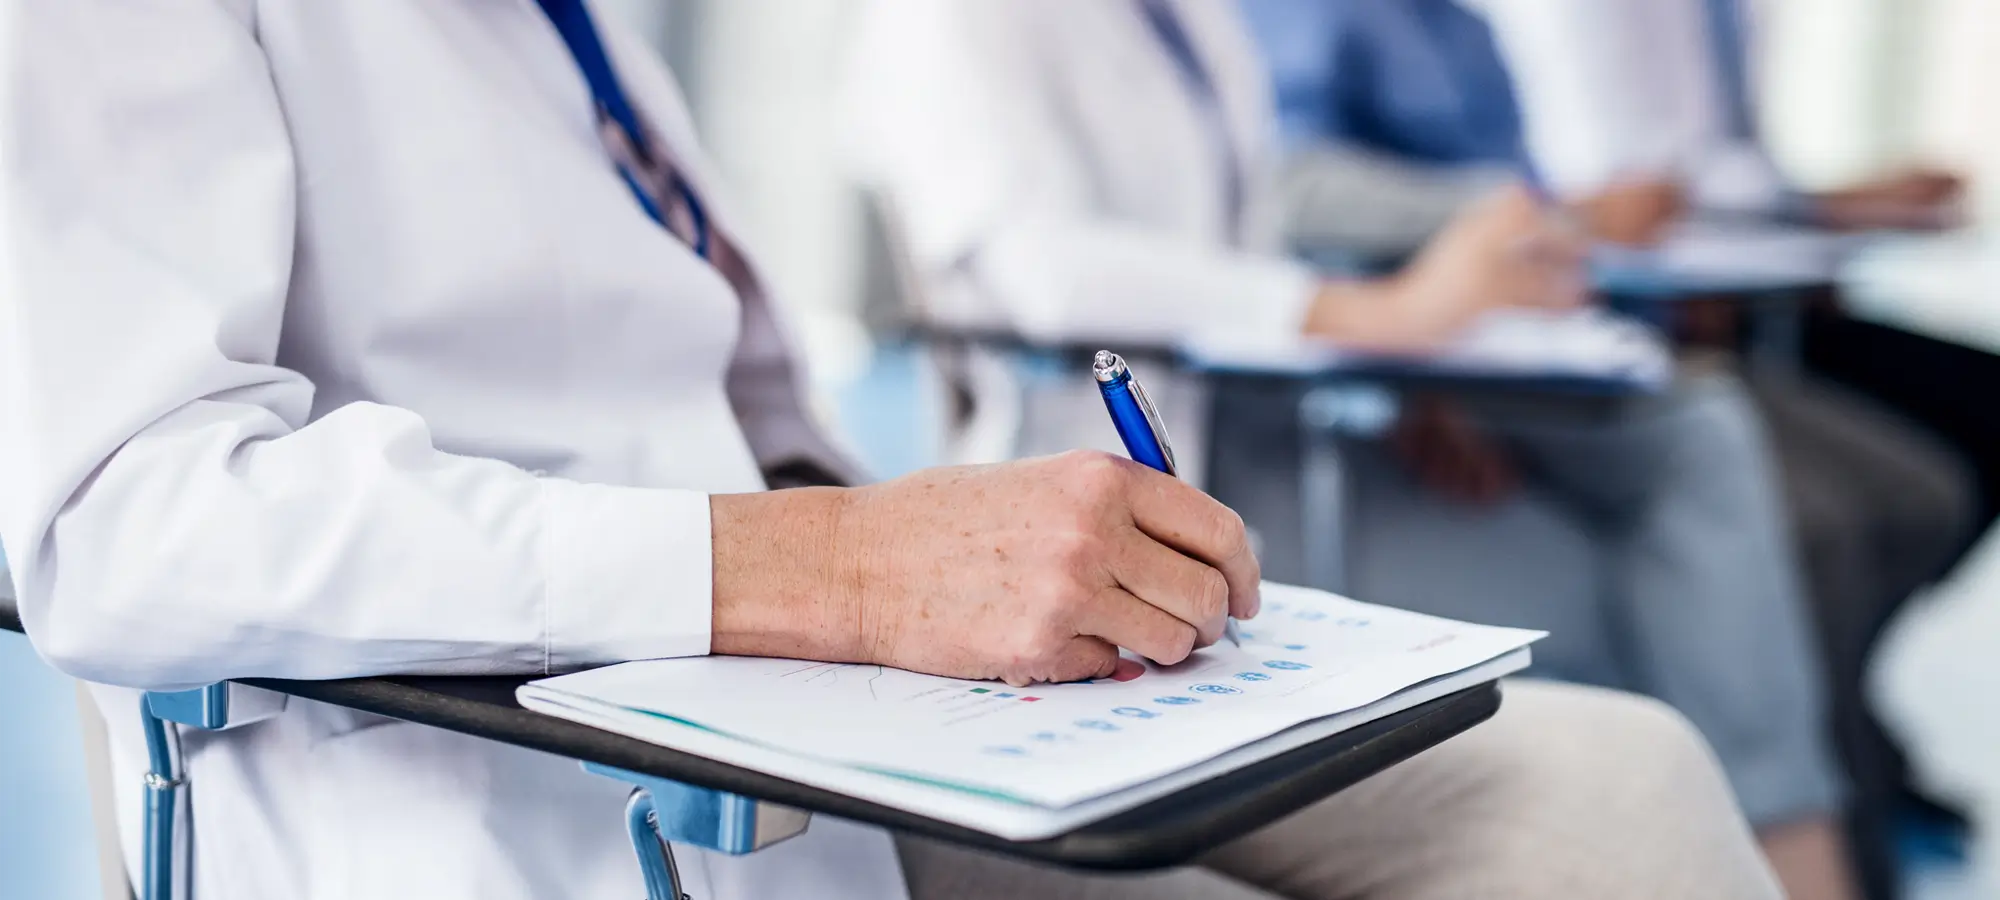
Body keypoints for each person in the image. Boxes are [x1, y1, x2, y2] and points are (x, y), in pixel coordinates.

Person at [0, 1, 1785, 899]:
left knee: (1615, 782)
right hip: (544, 758)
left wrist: (895, 543)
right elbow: (114, 520)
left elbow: (725, 397)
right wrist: (836, 569)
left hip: (821, 678)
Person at [844, 0, 1852, 897]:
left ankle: (1786, 856)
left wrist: (1408, 379)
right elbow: (1039, 270)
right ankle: (1796, 862)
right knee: (1621, 595)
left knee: (1664, 556)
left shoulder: (1190, 19)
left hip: (1284, 432)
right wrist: (1374, 312)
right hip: (1146, 489)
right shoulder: (956, 19)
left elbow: (1243, 235)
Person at [1235, 2, 1975, 896]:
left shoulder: (1464, 29)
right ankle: (1807, 854)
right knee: (1721, 468)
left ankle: (1808, 835)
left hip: (1503, 345)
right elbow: (1283, 197)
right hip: (1385, 365)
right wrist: (1405, 328)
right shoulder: (1292, 22)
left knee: (1711, 434)